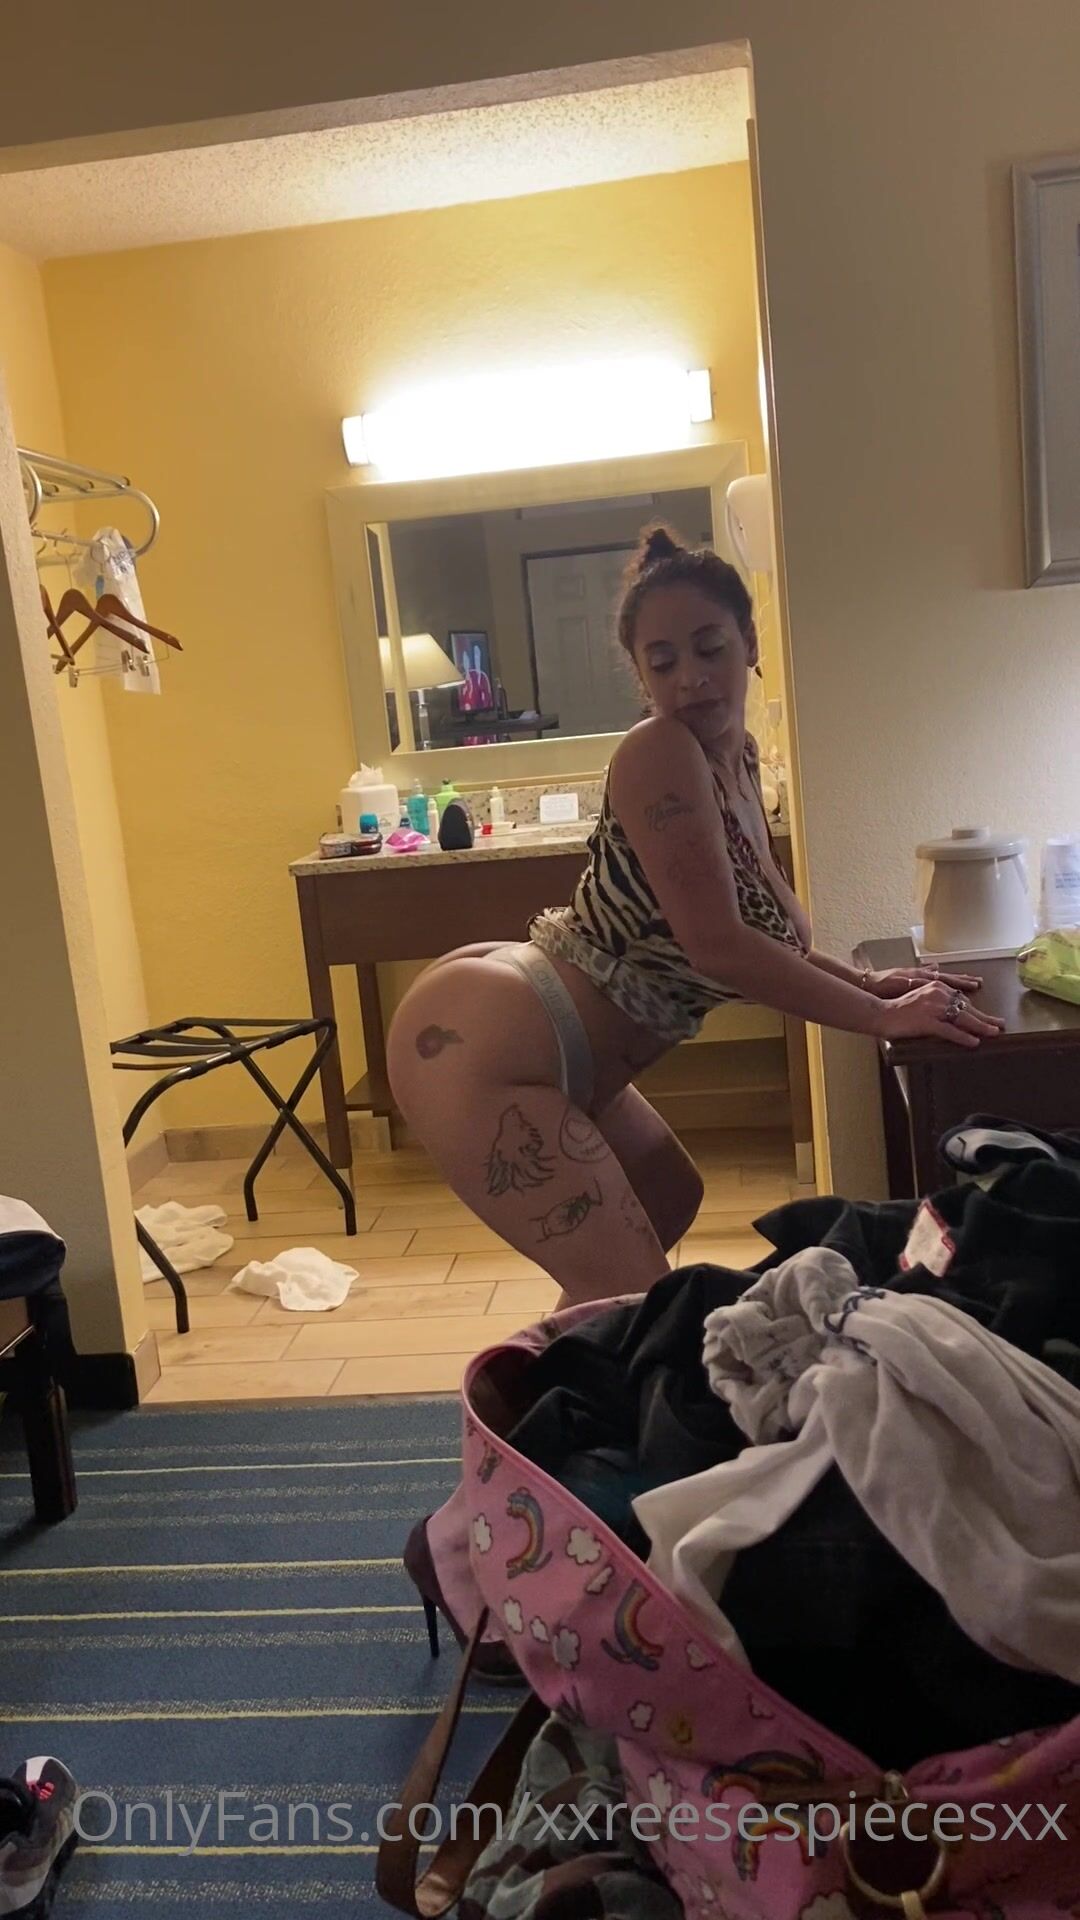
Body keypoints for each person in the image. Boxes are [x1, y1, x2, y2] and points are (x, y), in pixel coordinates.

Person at [387, 525, 1004, 1309]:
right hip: (488, 1042)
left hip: (558, 1042)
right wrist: (878, 1016)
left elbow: (756, 938)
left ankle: (564, 1379)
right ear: (641, 676)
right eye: (663, 662)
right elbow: (717, 946)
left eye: (710, 648)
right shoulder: (660, 752)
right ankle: (544, 1392)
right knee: (623, 1288)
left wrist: (871, 986)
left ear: (749, 641)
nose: (691, 679)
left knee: (667, 1202)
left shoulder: (738, 762)